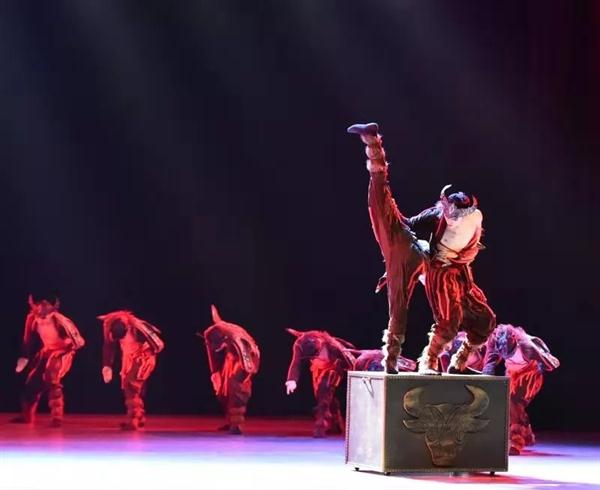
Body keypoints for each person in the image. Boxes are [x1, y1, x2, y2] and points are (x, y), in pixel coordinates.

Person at [347, 122, 496, 375]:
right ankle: (424, 361)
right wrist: (397, 224)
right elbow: (410, 222)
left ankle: (457, 360)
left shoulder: (471, 217)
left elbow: (467, 243)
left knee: (483, 319)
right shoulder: (438, 214)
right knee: (444, 319)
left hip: (453, 269)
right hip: (434, 265)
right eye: (446, 208)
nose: (447, 212)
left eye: (452, 210)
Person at [482, 324, 560, 454]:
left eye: (510, 352)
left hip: (529, 374)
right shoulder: (494, 340)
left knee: (513, 401)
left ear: (514, 340)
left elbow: (552, 363)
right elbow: (489, 364)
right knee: (510, 403)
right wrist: (486, 384)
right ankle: (527, 433)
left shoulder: (526, 346)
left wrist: (541, 365)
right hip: (512, 372)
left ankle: (516, 441)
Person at [13, 296, 85, 427]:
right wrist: (24, 357)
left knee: (51, 378)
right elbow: (28, 340)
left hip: (62, 351)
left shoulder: (60, 320)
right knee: (32, 381)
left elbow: (79, 342)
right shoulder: (32, 319)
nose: (42, 320)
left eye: (45, 317)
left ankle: (57, 417)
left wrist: (66, 349)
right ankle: (27, 415)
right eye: (39, 316)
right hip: (47, 351)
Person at [199, 305, 260, 435]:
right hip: (231, 358)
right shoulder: (215, 332)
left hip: (246, 359)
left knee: (236, 388)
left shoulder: (236, 338)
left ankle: (237, 424)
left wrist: (245, 374)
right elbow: (212, 355)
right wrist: (215, 374)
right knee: (223, 389)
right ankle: (230, 421)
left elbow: (248, 360)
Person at [99, 310, 164, 430]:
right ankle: (139, 417)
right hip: (129, 359)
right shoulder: (110, 325)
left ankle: (134, 419)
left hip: (142, 359)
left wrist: (146, 352)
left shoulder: (136, 327)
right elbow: (109, 346)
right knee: (129, 387)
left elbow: (158, 344)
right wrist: (107, 365)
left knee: (130, 386)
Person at [285, 328, 355, 437]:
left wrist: (356, 373)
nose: (315, 356)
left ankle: (320, 425)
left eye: (316, 354)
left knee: (324, 388)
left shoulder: (332, 345)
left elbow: (350, 360)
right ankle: (335, 424)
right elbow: (296, 362)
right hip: (318, 367)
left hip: (334, 366)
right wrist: (292, 380)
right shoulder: (299, 344)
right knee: (322, 394)